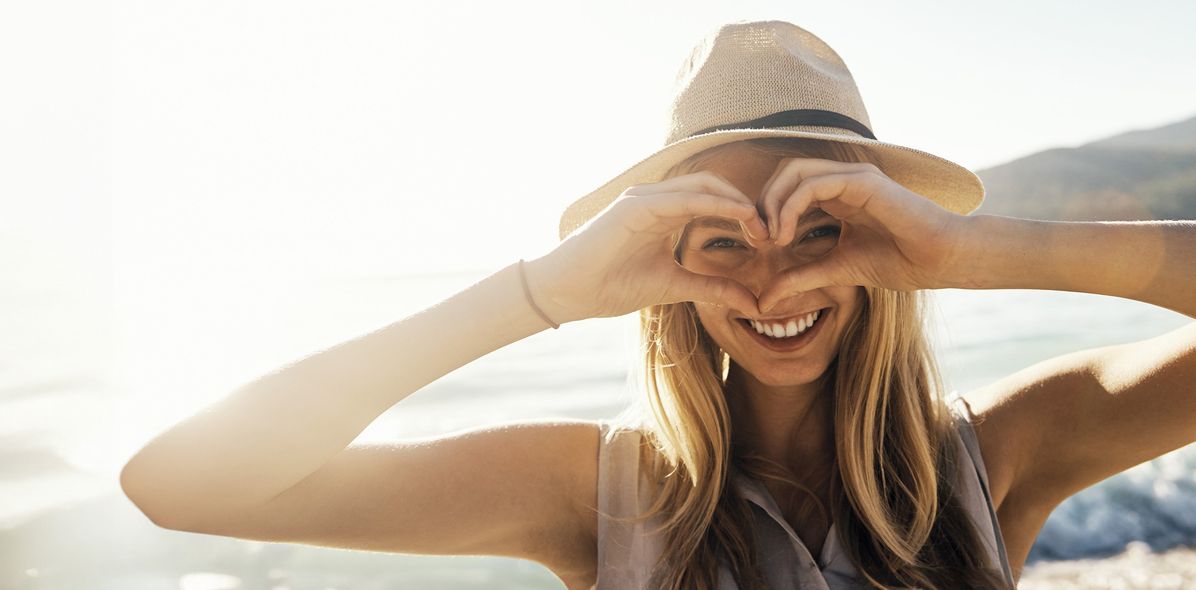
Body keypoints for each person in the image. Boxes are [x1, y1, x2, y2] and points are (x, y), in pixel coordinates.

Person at [119, 19, 1196, 590]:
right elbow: (178, 483)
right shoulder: (597, 490)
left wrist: (971, 248)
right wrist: (545, 291)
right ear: (660, 262)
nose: (771, 283)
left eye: (820, 227)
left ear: (880, 243)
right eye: (720, 237)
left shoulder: (998, 448)